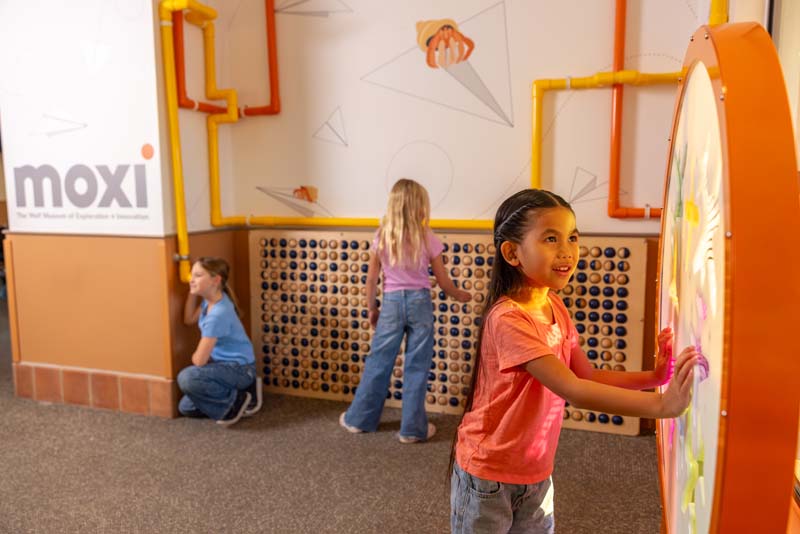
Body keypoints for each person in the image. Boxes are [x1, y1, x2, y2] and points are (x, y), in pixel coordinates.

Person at [449, 189, 707, 533]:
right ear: (512, 253)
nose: (567, 251)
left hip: (535, 470)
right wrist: (662, 405)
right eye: (551, 238)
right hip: (488, 475)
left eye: (572, 238)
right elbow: (574, 390)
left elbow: (585, 375)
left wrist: (654, 376)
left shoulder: (554, 306)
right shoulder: (508, 319)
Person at [339, 178, 472, 443]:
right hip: (419, 303)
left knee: (379, 361)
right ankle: (412, 429)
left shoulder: (383, 236)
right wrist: (460, 294)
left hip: (390, 303)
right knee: (417, 365)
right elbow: (444, 282)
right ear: (421, 207)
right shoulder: (428, 239)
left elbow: (371, 279)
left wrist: (371, 309)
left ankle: (360, 419)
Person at [178, 257, 257, 427]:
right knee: (186, 407)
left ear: (215, 280)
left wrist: (197, 355)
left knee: (187, 377)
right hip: (222, 366)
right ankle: (241, 393)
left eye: (198, 275)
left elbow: (199, 361)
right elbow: (189, 319)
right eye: (192, 275)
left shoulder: (218, 314)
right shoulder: (210, 301)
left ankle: (236, 402)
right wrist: (191, 292)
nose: (192, 279)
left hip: (239, 369)